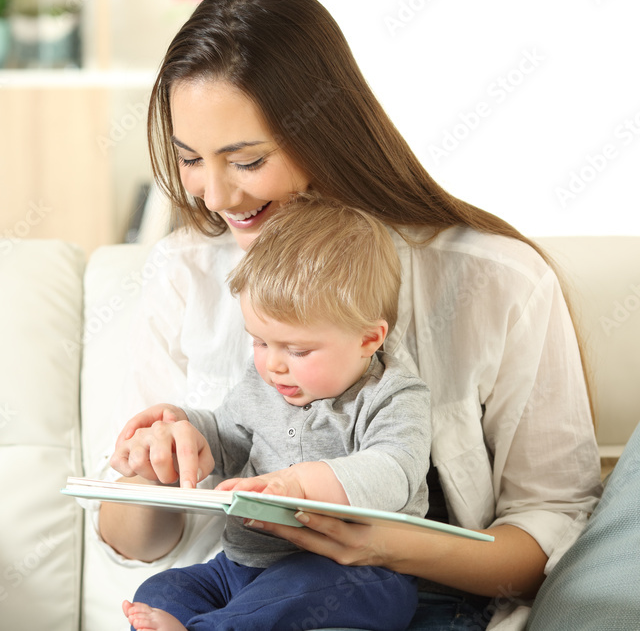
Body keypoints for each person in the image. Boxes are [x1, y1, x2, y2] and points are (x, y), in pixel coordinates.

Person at [93, 0, 602, 630]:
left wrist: (389, 544)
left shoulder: (498, 280)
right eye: (191, 159)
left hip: (395, 598)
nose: (214, 195)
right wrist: (153, 458)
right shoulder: (182, 270)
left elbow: (553, 518)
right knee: (171, 593)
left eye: (246, 161)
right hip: (238, 577)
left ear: (325, 132)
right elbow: (134, 538)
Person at [115, 194, 432, 631]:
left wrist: (299, 484)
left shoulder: (393, 395)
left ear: (368, 339)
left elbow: (393, 472)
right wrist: (182, 429)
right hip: (243, 567)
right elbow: (226, 439)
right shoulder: (262, 382)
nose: (274, 364)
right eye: (260, 342)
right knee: (162, 593)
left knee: (288, 595)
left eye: (298, 350)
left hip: (351, 572)